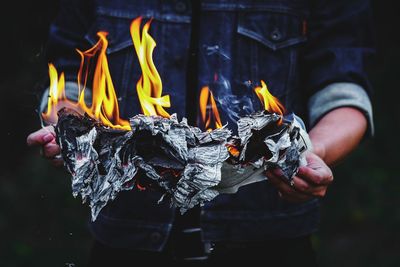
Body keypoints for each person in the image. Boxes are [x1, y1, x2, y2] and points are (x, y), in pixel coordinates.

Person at [26, 0, 374, 266]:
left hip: (267, 245)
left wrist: (316, 153)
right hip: (127, 244)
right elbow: (68, 77)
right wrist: (69, 127)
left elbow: (343, 89)